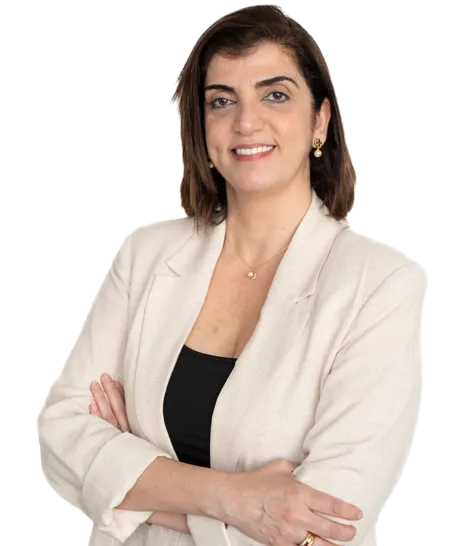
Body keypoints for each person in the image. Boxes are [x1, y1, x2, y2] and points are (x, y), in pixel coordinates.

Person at [36, 5, 428, 546]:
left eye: (275, 95)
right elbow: (60, 436)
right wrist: (236, 500)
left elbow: (325, 525)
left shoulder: (382, 284)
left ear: (319, 120)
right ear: (201, 127)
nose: (246, 122)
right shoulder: (144, 253)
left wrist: (130, 482)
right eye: (221, 101)